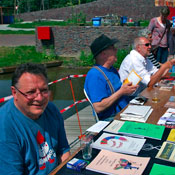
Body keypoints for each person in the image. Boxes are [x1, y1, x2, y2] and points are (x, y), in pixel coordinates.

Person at [0, 63, 70, 174]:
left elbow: (63, 151)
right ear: (14, 93)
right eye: (31, 92)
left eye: (44, 90)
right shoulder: (5, 127)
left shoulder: (51, 109)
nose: (40, 98)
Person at [84, 34, 138, 121]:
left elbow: (115, 92)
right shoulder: (95, 75)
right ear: (103, 54)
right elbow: (98, 107)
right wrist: (121, 91)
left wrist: (126, 88)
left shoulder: (111, 69)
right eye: (113, 48)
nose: (116, 50)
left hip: (125, 111)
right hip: (111, 118)